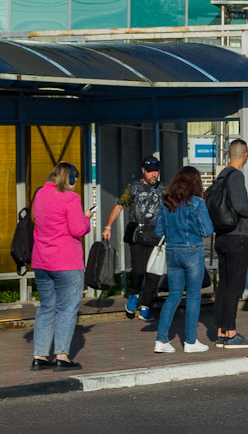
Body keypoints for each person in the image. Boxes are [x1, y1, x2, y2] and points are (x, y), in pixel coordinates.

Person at [30, 162, 90, 370]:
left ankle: (39, 356)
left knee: (46, 308)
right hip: (66, 262)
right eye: (75, 181)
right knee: (67, 309)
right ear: (69, 178)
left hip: (41, 261)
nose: (75, 186)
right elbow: (77, 230)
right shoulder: (71, 198)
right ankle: (62, 356)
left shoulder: (40, 195)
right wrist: (87, 219)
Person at [153, 166, 214, 354]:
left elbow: (158, 231)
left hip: (172, 253)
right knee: (194, 296)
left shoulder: (167, 202)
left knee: (173, 296)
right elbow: (207, 231)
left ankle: (161, 340)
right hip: (192, 251)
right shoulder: (197, 203)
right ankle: (190, 341)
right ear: (195, 182)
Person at [102, 157, 165, 321]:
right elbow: (119, 206)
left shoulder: (163, 189)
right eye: (150, 171)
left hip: (157, 237)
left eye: (156, 171)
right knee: (138, 269)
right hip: (138, 235)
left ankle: (145, 306)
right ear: (143, 171)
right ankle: (134, 295)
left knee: (154, 274)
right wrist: (108, 226)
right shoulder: (134, 188)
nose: (154, 174)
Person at [211, 139, 248, 349]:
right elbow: (241, 208)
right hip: (237, 237)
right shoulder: (237, 176)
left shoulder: (220, 175)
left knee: (223, 285)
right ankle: (231, 333)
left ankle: (220, 331)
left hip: (221, 236)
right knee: (235, 285)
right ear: (245, 156)